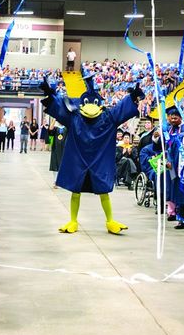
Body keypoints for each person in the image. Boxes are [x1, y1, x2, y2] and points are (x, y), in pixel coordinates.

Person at [42, 72, 142, 234]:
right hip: (80, 161)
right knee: (76, 191)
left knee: (103, 192)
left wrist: (133, 97)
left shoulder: (105, 117)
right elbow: (60, 105)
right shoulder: (76, 117)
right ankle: (73, 220)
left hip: (98, 162)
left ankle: (110, 221)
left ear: (100, 104)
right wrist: (50, 94)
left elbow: (121, 108)